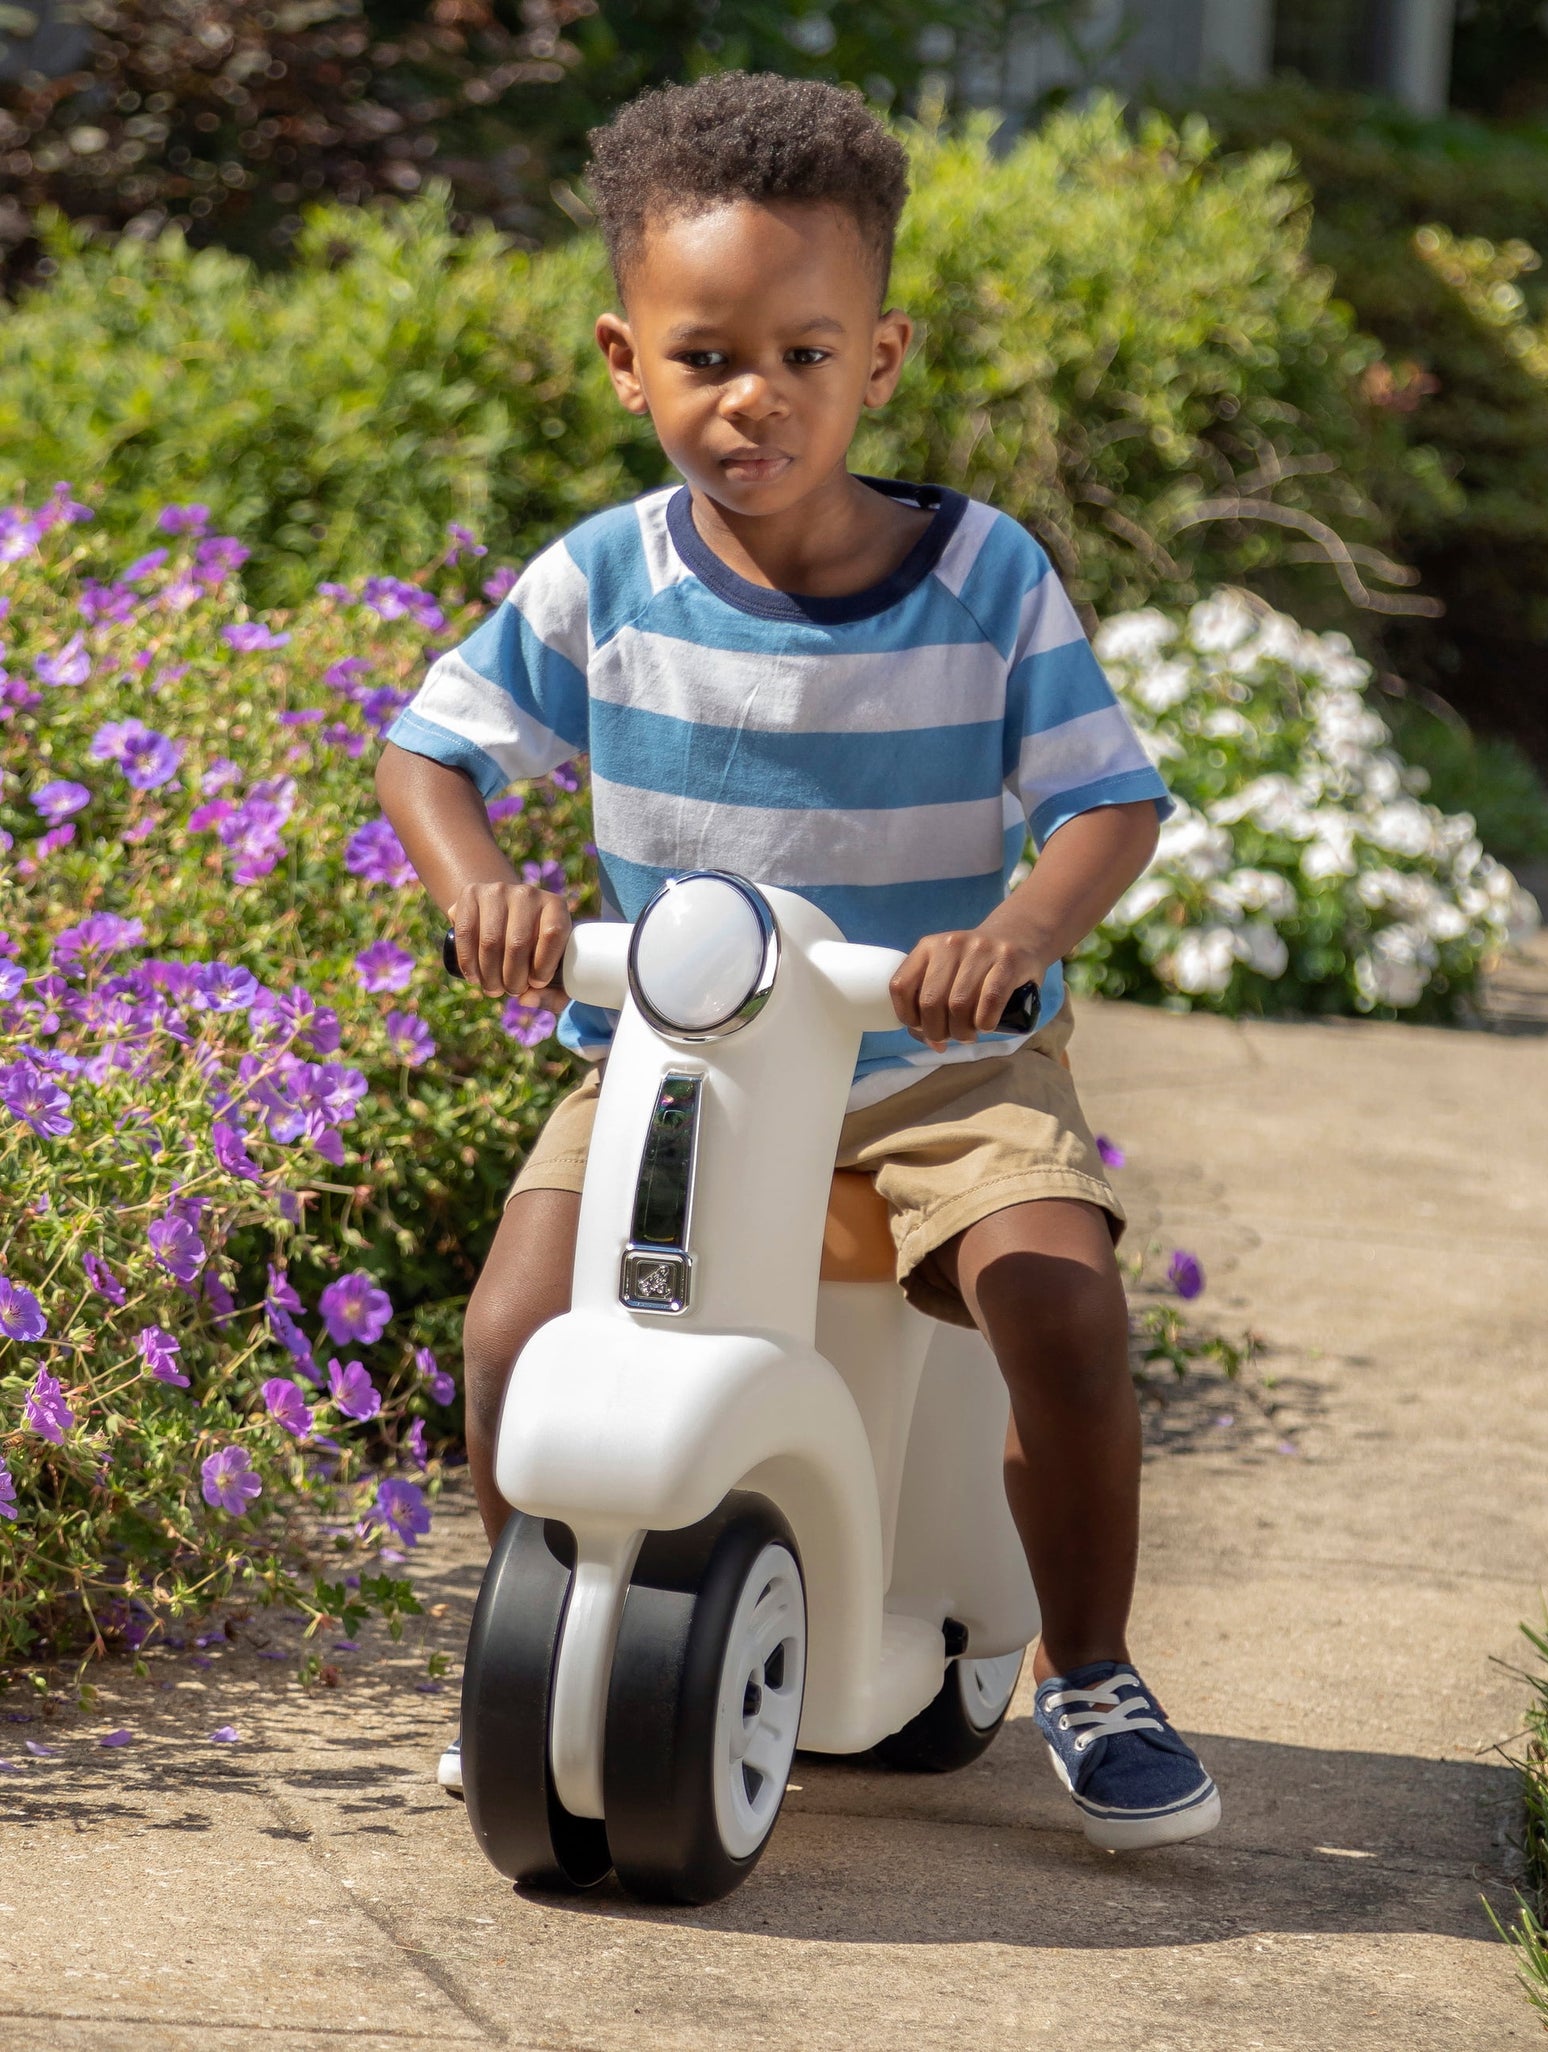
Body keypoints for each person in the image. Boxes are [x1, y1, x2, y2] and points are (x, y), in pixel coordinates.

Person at [376, 70, 1219, 1851]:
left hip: (936, 1064)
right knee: (517, 1328)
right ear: (626, 361)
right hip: (684, 1066)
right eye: (703, 358)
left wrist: (1010, 940)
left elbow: (1109, 806)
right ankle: (540, 1635)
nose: (751, 398)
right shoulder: (600, 580)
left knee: (1056, 1298)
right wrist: (486, 889)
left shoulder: (982, 581)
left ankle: (1090, 1668)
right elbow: (428, 750)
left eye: (805, 356)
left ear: (882, 357)